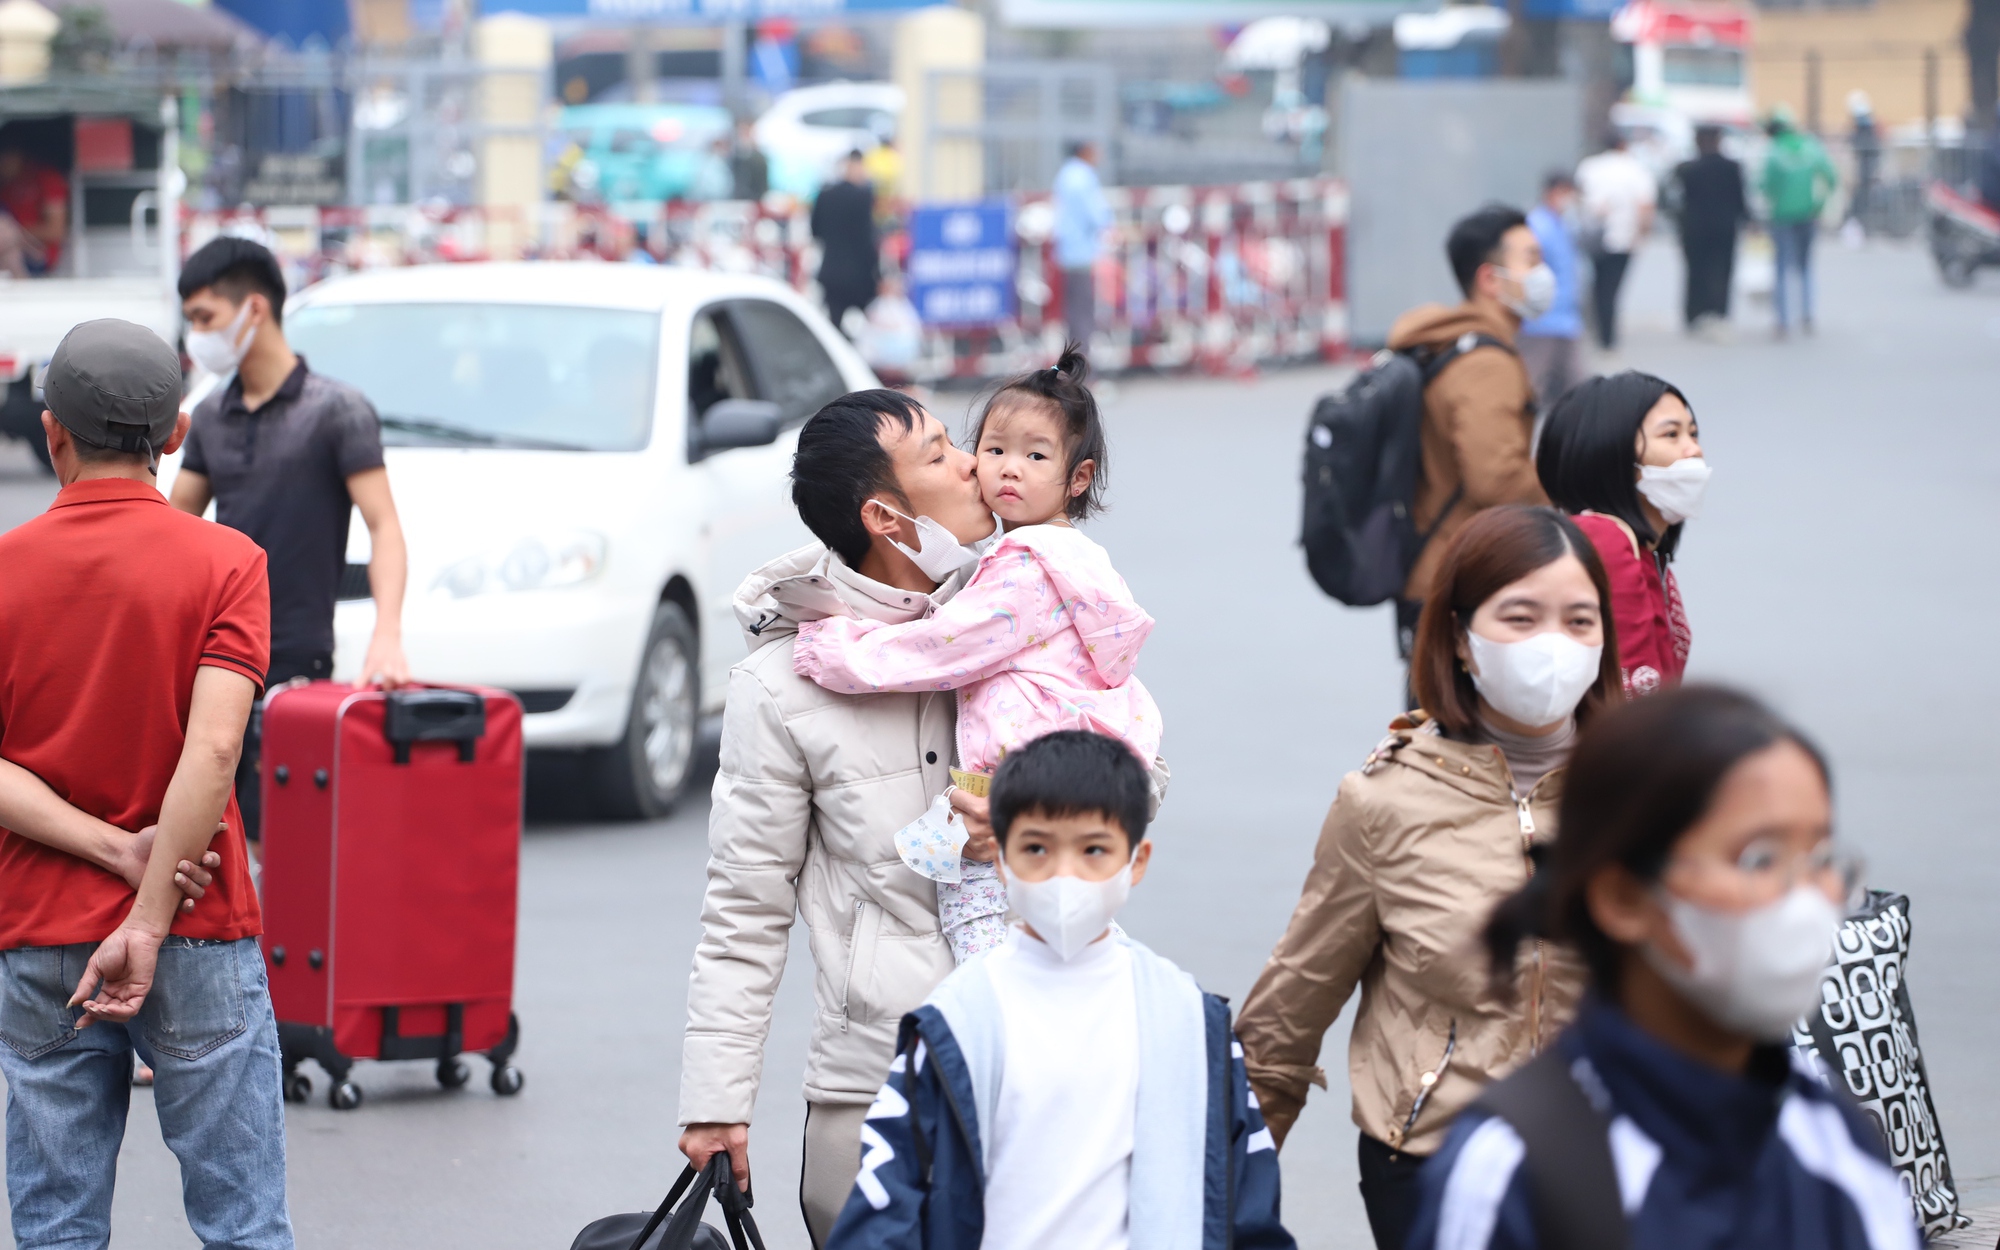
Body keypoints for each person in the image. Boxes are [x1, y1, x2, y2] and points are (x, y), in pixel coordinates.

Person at [1407, 686, 1916, 1250]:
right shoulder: (1518, 1168)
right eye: (1761, 859)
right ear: (1624, 898)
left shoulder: (1836, 1138)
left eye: (1821, 858)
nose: (1806, 899)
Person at [1237, 504, 1615, 1250]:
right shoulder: (1382, 804)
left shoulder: (1646, 795)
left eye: (1580, 621)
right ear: (1460, 640)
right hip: (1434, 1169)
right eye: (1521, 617)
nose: (1555, 645)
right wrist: (1221, 1194)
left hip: (1612, 1165)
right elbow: (1286, 1020)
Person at [676, 389, 999, 1248]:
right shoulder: (780, 688)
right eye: (939, 454)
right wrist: (717, 1106)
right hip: (876, 1090)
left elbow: (1139, 769)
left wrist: (1050, 812)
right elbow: (745, 908)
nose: (975, 463)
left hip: (1037, 1064)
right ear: (887, 518)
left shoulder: (1020, 623)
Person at [0, 319, 292, 1249]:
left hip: (40, 929)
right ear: (174, 437)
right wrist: (148, 908)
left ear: (53, 434)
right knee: (242, 1223)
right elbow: (211, 756)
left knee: (57, 1226)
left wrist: (105, 848)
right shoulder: (227, 563)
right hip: (195, 925)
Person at [822, 730, 1295, 1250]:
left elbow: (1247, 1199)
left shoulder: (1186, 1017)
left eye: (1094, 849)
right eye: (1036, 848)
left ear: (1136, 861)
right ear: (1000, 859)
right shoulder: (958, 1020)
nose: (1064, 875)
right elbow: (889, 1192)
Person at [792, 346, 1162, 964]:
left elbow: (945, 647)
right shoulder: (1061, 560)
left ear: (1078, 478)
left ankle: (996, 1011)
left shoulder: (1025, 568)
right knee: (1064, 929)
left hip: (1013, 788)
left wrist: (838, 651)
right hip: (1051, 776)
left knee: (982, 924)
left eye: (1035, 456)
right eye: (993, 449)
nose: (1001, 470)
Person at [170, 237, 410, 847]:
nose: (196, 336)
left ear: (254, 308)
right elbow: (172, 530)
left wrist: (388, 635)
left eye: (205, 318)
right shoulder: (212, 418)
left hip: (297, 664)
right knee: (209, 844)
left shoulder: (337, 411)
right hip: (213, 661)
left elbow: (383, 524)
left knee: (285, 848)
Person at [1385, 204, 1551, 661]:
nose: (1544, 274)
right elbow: (1495, 480)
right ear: (1490, 279)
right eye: (1532, 260)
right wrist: (1567, 482)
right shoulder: (1486, 363)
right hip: (1459, 580)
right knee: (1458, 728)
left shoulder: (1453, 344)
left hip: (1434, 570)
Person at [1537, 372, 1705, 698]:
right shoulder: (1607, 540)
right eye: (1672, 435)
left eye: (1694, 434)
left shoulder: (1646, 550)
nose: (1694, 450)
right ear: (1610, 450)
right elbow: (1636, 688)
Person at [1575, 131, 1658, 354]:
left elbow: (1580, 198)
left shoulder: (1590, 166)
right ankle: (1607, 336)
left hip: (1593, 237)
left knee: (1597, 284)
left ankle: (1596, 327)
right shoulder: (1636, 169)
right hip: (1623, 238)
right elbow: (1645, 206)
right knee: (1612, 288)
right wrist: (1642, 234)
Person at [1761, 106, 1838, 338]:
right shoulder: (1811, 147)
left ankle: (1783, 321)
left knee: (1782, 268)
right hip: (1808, 215)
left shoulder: (1774, 152)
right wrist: (1819, 205)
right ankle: (1807, 314)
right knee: (1805, 267)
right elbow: (1832, 178)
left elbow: (1764, 186)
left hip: (1781, 217)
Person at [1517, 172, 1586, 411]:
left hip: (1565, 319)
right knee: (1532, 387)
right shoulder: (1538, 226)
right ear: (1552, 192)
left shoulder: (1560, 224)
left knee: (1578, 389)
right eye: (1566, 193)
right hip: (1541, 323)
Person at [1672, 125, 1748, 331]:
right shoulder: (1731, 167)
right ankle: (1719, 311)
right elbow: (1740, 200)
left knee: (1695, 271)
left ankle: (1694, 313)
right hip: (1724, 227)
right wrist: (1747, 221)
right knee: (1723, 270)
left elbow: (1673, 199)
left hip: (1694, 227)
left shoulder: (1686, 168)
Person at [812, 150, 880, 337]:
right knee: (867, 328)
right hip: (859, 274)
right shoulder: (863, 197)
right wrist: (876, 270)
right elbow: (868, 238)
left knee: (834, 326)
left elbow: (815, 231)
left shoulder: (825, 195)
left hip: (831, 272)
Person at [1052, 140, 1113, 347]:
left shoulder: (1066, 175)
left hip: (1068, 252)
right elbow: (1097, 214)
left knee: (1074, 313)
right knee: (1083, 315)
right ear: (1084, 152)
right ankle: (1082, 369)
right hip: (1081, 253)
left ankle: (1074, 366)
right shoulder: (1082, 177)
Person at [0, 136, 68, 276]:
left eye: (5, 156)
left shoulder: (48, 178)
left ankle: (22, 292)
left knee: (7, 238)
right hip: (7, 248)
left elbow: (56, 231)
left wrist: (16, 232)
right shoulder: (6, 186)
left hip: (37, 254)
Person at [1847, 90, 1880, 232]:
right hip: (1864, 170)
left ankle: (1862, 222)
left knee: (1864, 196)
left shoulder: (1866, 127)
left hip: (1866, 170)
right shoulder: (1866, 126)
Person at [729, 119, 769, 203]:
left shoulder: (759, 159)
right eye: (740, 133)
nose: (742, 136)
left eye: (745, 133)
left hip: (755, 201)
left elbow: (762, 186)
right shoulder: (733, 157)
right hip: (735, 202)